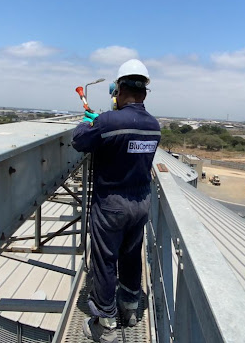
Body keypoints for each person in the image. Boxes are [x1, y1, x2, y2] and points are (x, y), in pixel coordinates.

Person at [72, 59, 160, 343]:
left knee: (105, 260)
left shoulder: (108, 121)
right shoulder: (154, 126)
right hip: (141, 202)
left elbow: (80, 141)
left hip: (111, 204)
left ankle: (105, 321)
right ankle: (131, 307)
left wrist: (89, 123)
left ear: (119, 90)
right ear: (144, 93)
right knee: (131, 255)